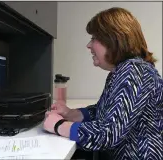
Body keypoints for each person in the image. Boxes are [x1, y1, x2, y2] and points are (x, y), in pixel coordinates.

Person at [43, 7, 163, 160]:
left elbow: (109, 133)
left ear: (114, 40)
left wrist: (58, 125)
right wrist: (71, 114)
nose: (89, 45)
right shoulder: (121, 71)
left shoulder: (134, 71)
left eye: (94, 38)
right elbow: (105, 112)